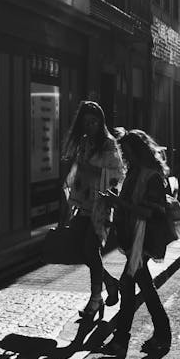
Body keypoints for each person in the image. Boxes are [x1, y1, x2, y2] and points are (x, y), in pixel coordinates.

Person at [100, 129, 172, 358]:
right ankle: (154, 336)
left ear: (138, 152)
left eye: (128, 152)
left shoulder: (151, 176)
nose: (125, 157)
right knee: (137, 287)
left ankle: (133, 339)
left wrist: (119, 202)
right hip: (134, 238)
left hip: (144, 239)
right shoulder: (134, 173)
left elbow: (149, 212)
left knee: (132, 287)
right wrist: (114, 203)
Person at [61, 101, 125, 319]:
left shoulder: (108, 144)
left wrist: (92, 170)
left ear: (101, 122)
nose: (90, 126)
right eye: (86, 122)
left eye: (93, 122)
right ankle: (110, 283)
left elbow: (115, 176)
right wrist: (71, 205)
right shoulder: (84, 143)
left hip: (102, 205)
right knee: (82, 250)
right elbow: (78, 175)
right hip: (83, 204)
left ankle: (95, 300)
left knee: (90, 248)